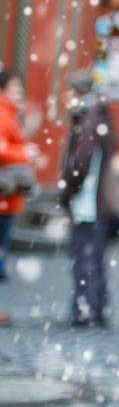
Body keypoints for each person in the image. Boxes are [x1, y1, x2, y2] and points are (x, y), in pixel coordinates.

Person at [61, 71, 119, 326]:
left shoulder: (89, 120)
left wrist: (68, 190)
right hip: (99, 201)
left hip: (88, 203)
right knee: (94, 258)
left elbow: (81, 164)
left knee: (85, 259)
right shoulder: (101, 116)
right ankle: (97, 306)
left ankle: (86, 310)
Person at [0, 69, 35, 326]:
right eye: (15, 89)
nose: (19, 93)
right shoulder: (3, 114)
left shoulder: (9, 114)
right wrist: (25, 153)